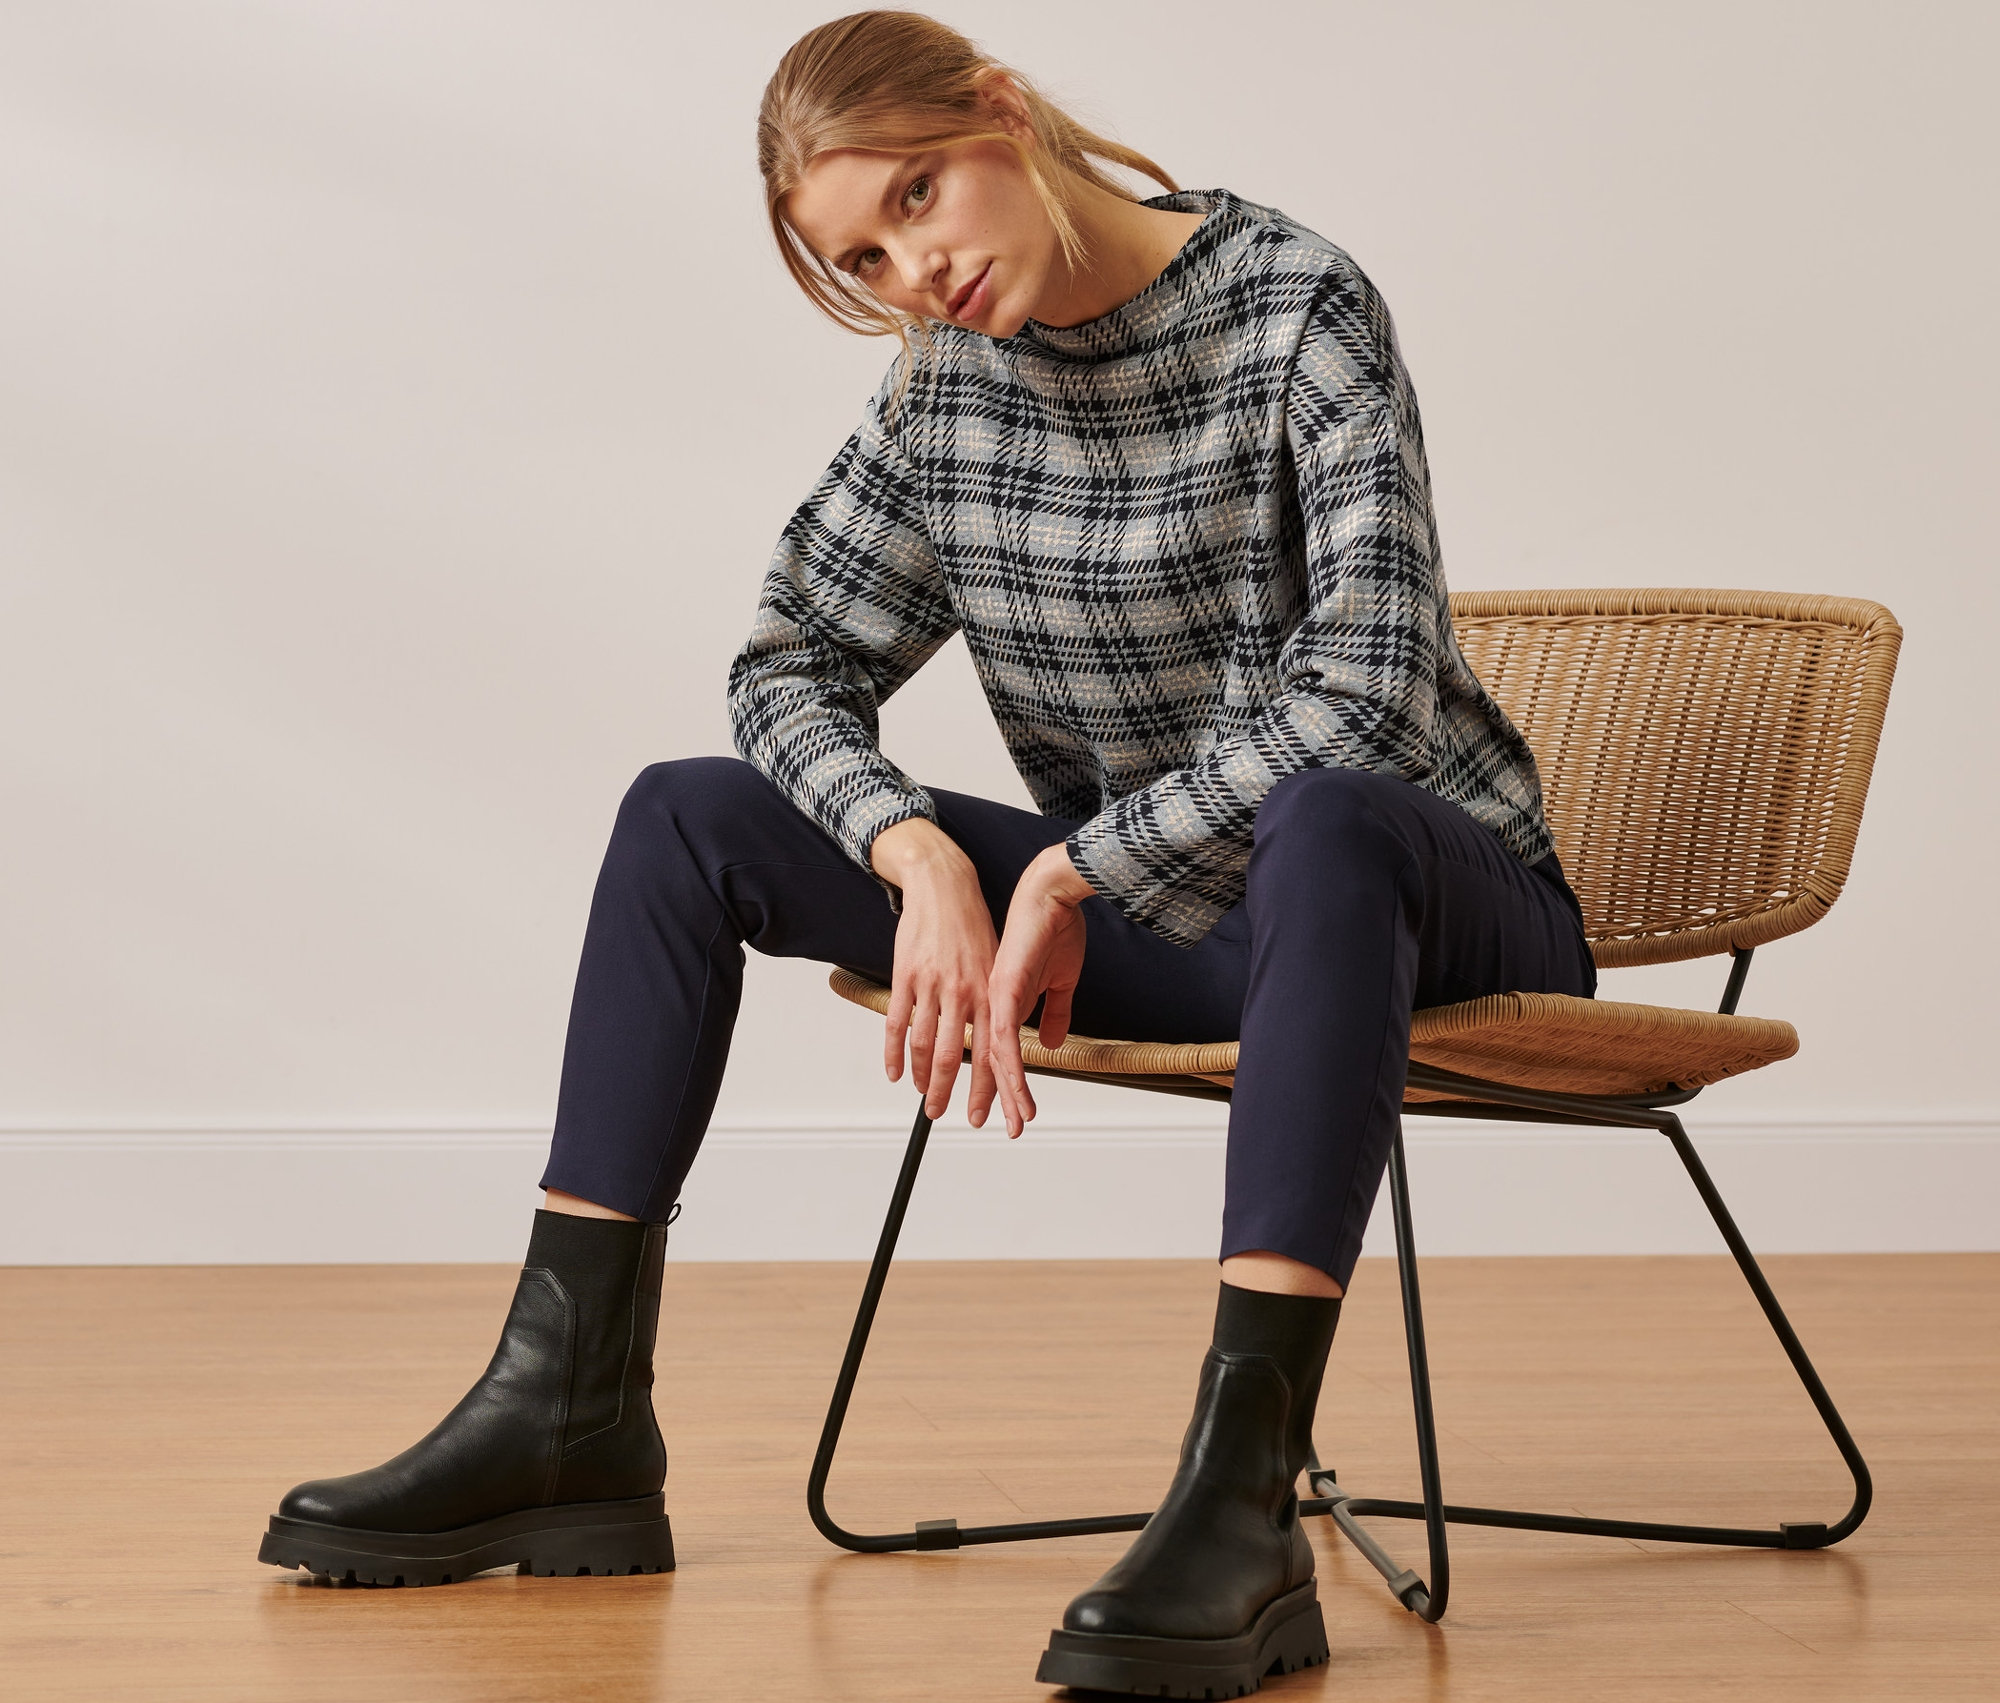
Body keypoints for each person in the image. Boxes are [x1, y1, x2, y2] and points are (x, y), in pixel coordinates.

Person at [257, 10, 1595, 1694]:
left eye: (917, 194)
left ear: (1000, 109)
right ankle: (568, 1406)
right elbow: (783, 663)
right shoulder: (948, 393)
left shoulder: (1295, 303)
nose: (913, 267)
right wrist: (915, 848)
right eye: (864, 255)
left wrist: (1068, 867)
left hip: (1436, 895)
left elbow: (1366, 690)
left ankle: (1240, 1502)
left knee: (1322, 818)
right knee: (689, 807)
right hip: (1189, 926)